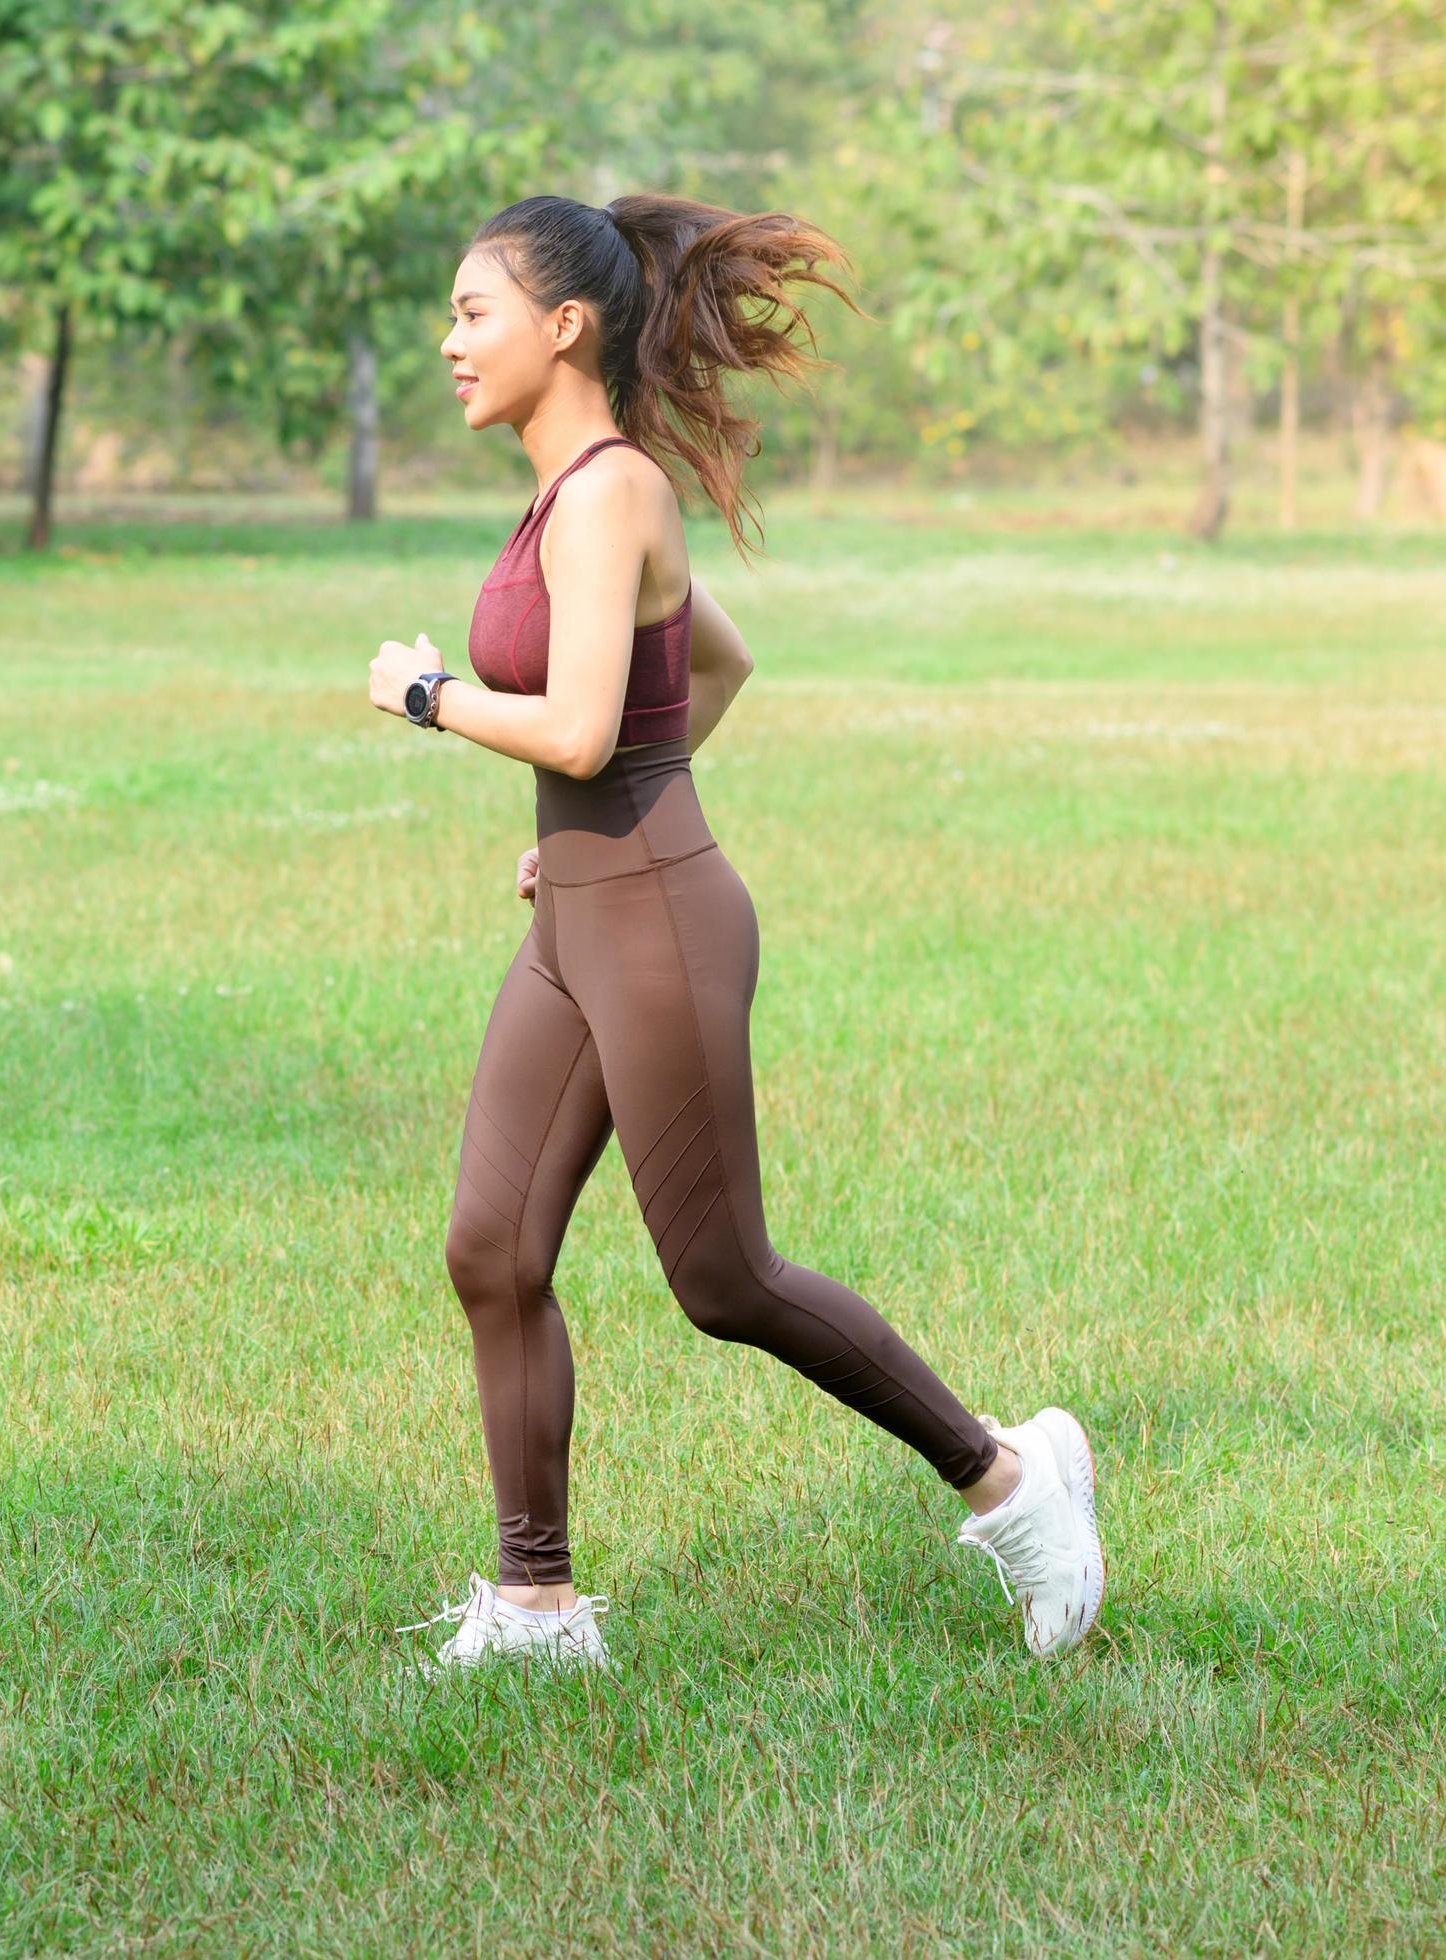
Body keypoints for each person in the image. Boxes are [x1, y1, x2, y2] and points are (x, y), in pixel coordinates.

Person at [369, 194, 1106, 1671]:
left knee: (723, 1280)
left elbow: (577, 726)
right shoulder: (565, 494)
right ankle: (535, 1607)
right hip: (585, 917)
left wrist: (426, 696)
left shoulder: (607, 493)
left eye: (471, 313)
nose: (447, 344)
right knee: (490, 1250)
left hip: (655, 925)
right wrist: (589, 832)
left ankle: (1014, 1482)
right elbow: (711, 663)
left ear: (562, 326)